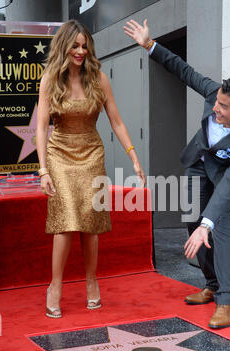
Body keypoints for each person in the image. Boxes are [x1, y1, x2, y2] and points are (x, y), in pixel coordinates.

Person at [124, 19, 230, 329]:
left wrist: (208, 223)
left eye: (223, 107)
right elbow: (184, 71)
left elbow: (229, 186)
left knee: (219, 225)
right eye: (216, 102)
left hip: (227, 176)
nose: (215, 108)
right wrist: (150, 45)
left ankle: (226, 301)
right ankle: (212, 283)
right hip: (197, 164)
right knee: (192, 220)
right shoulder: (216, 93)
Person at [36, 20, 146, 318]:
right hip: (59, 153)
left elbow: (117, 121)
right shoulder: (50, 79)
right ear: (64, 47)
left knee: (91, 220)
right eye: (75, 45)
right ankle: (55, 286)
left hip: (91, 153)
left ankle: (91, 280)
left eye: (84, 46)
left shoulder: (98, 78)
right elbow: (41, 127)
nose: (81, 51)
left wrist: (133, 155)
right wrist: (43, 170)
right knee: (66, 219)